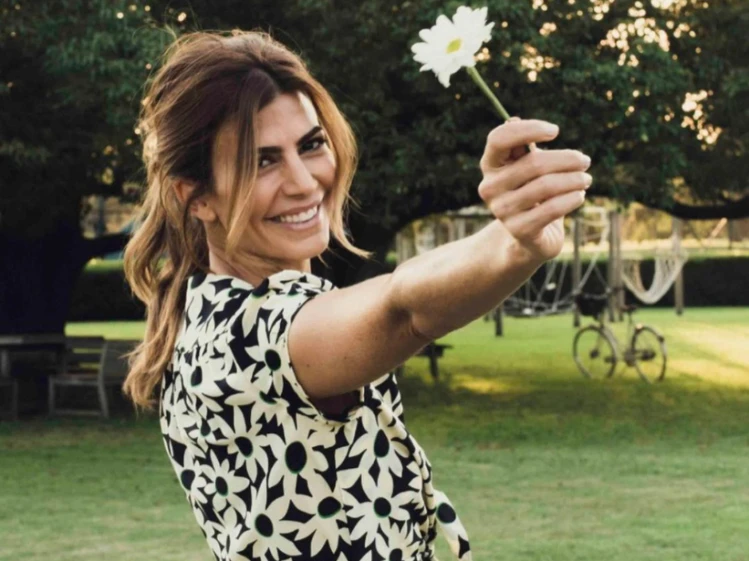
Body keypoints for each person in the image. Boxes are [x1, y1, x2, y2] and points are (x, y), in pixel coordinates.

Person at [122, 30, 592, 561]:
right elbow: (403, 310)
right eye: (263, 162)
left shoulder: (204, 314)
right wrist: (511, 242)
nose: (304, 182)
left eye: (311, 145)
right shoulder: (253, 333)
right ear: (197, 197)